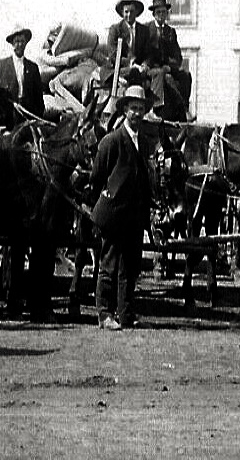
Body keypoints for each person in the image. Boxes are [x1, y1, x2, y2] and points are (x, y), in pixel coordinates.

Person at [90, 85, 158, 331]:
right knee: (108, 264)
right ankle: (104, 314)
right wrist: (107, 198)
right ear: (125, 110)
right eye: (133, 109)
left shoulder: (144, 142)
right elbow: (97, 176)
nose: (137, 114)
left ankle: (126, 313)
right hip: (113, 213)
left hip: (134, 215)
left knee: (130, 266)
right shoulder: (112, 141)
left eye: (141, 109)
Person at [142, 0, 191, 118]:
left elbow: (177, 55)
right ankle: (155, 108)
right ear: (153, 14)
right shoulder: (146, 29)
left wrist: (170, 67)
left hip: (166, 67)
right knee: (164, 77)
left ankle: (185, 107)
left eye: (164, 12)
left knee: (186, 75)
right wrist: (146, 64)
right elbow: (143, 52)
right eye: (158, 12)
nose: (161, 15)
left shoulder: (170, 32)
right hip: (151, 68)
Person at [0, 25, 45, 122]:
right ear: (12, 43)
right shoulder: (1, 64)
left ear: (26, 43)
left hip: (27, 115)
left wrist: (37, 116)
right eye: (16, 41)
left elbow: (39, 97)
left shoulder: (33, 67)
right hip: (7, 115)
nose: (20, 44)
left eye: (22, 41)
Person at [104, 0, 152, 90]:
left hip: (141, 70)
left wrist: (145, 64)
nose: (129, 15)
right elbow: (113, 55)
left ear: (137, 12)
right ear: (122, 12)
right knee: (133, 73)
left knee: (156, 76)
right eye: (126, 12)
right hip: (120, 69)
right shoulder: (115, 29)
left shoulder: (144, 30)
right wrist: (130, 63)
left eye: (132, 11)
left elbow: (148, 53)